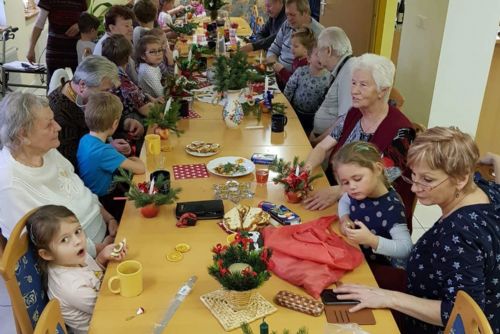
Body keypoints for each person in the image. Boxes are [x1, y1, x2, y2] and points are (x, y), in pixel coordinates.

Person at [334, 127, 500, 334]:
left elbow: (458, 314)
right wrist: (495, 159)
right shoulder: (489, 190)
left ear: (461, 178)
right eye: (414, 175)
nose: (414, 188)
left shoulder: (459, 235)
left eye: (427, 180)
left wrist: (388, 297)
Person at [0, 92, 118, 258]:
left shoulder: (47, 151)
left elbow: (80, 190)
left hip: (106, 236)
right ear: (23, 135)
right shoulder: (9, 184)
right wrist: (99, 249)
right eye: (49, 125)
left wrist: (110, 219)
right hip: (79, 263)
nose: (58, 127)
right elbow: (41, 246)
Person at [303, 53, 415, 226]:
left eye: (363, 85)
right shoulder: (355, 113)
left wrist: (338, 191)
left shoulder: (401, 131)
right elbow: (322, 148)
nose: (354, 91)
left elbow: (379, 179)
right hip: (341, 201)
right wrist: (305, 171)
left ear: (382, 90)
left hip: (374, 217)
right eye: (353, 83)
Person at [27, 205, 127, 334]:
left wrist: (101, 259)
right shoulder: (72, 288)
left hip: (107, 304)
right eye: (65, 239)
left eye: (77, 231)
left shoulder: (73, 257)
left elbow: (93, 276)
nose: (77, 241)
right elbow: (108, 307)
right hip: (102, 324)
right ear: (47, 254)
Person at [48, 56, 144, 169]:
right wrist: (107, 149)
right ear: (83, 85)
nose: (109, 95)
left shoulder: (79, 90)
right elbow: (70, 161)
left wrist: (125, 122)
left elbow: (100, 117)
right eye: (105, 90)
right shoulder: (59, 113)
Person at [333, 141, 412, 267]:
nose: (352, 187)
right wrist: (344, 218)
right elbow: (344, 200)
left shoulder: (392, 207)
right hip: (355, 253)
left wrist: (371, 240)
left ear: (378, 169)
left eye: (357, 179)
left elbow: (406, 249)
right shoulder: (359, 191)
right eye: (345, 182)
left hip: (377, 267)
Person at [78, 92, 145, 218]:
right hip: (106, 201)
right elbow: (141, 168)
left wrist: (112, 149)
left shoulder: (85, 139)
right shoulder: (104, 153)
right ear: (115, 124)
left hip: (92, 196)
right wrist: (134, 158)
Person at [309, 27, 354, 144]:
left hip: (329, 146)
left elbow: (345, 120)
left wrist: (318, 141)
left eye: (318, 51)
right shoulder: (343, 67)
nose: (318, 55)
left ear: (328, 51)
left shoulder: (349, 70)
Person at [26, 0, 86, 82]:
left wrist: (80, 25)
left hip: (76, 50)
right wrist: (31, 49)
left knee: (81, 86)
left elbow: (86, 19)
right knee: (54, 87)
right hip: (55, 51)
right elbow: (39, 24)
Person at [102, 34, 160, 118]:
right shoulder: (120, 78)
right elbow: (146, 110)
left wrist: (149, 97)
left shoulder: (107, 71)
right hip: (130, 120)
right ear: (128, 57)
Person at [266, 0, 323, 75]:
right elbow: (272, 50)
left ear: (305, 13)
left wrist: (282, 71)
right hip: (276, 75)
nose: (289, 19)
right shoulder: (287, 24)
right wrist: (275, 65)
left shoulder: (319, 34)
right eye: (287, 14)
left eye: (292, 15)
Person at [283, 47, 329, 134]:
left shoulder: (328, 78)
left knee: (306, 136)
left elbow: (326, 100)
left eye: (323, 55)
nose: (321, 58)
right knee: (292, 132)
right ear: (309, 58)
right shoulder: (301, 72)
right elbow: (289, 88)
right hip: (295, 111)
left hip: (314, 117)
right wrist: (286, 106)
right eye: (317, 55)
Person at [94, 5, 139, 84]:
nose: (131, 29)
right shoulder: (109, 47)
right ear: (112, 28)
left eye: (131, 25)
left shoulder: (122, 39)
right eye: (126, 26)